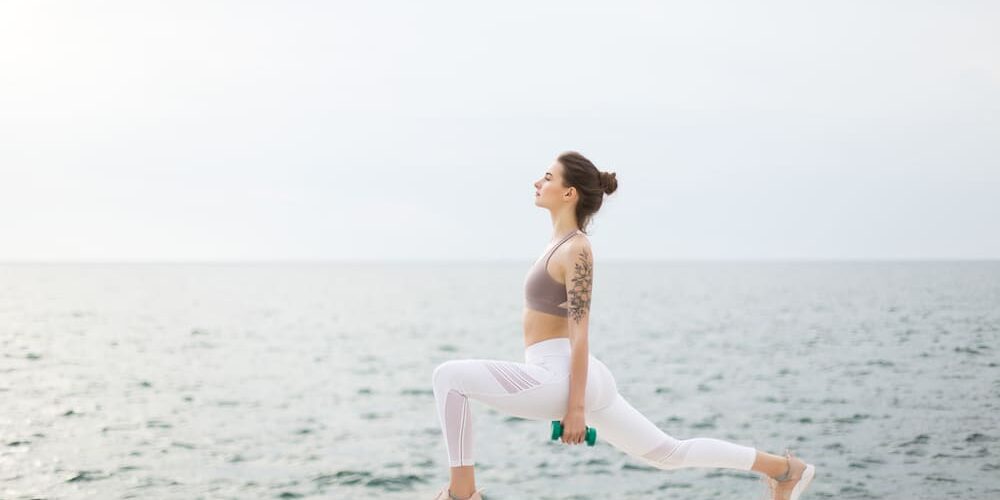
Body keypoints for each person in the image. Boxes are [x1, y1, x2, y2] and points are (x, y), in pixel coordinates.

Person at [431, 151, 816, 500]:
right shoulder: (558, 241)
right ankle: (784, 470)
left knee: (449, 377)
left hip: (564, 376)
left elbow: (580, 332)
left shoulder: (576, 248)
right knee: (669, 453)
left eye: (548, 176)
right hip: (571, 375)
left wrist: (576, 408)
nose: (538, 182)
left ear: (569, 193)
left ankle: (462, 495)